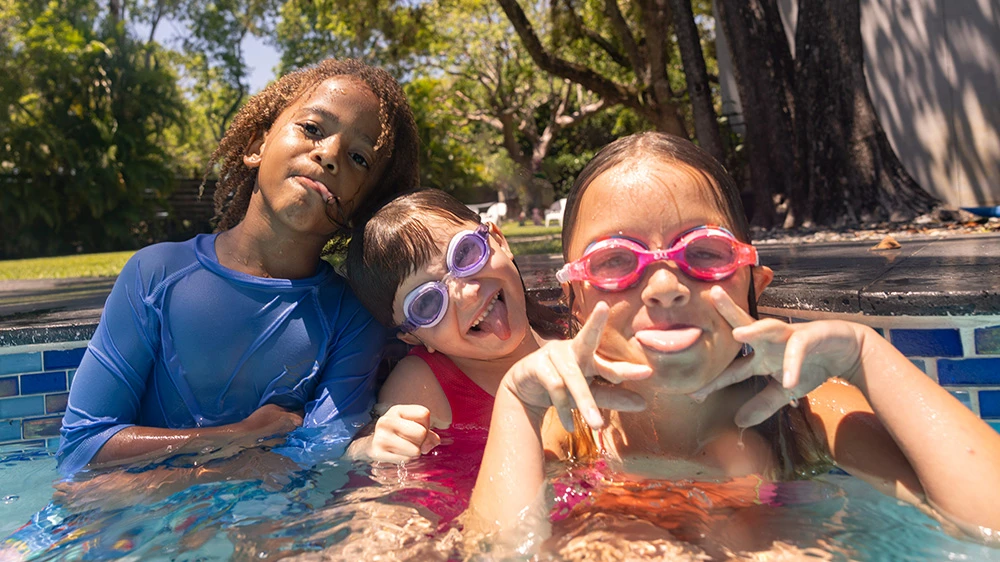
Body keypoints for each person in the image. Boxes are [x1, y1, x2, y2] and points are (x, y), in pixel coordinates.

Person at [465, 132, 1000, 554]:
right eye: (614, 262)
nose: (666, 287)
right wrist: (516, 398)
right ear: (574, 303)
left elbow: (987, 526)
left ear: (752, 284)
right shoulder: (570, 427)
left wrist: (866, 354)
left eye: (704, 253)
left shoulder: (806, 416)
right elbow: (496, 551)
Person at [55, 58, 420, 477]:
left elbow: (324, 452)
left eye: (359, 157)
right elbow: (82, 451)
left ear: (365, 207)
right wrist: (239, 434)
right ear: (256, 147)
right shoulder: (155, 274)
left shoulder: (351, 317)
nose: (329, 154)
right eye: (313, 128)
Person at [341, 188, 564, 463]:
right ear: (412, 336)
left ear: (498, 239)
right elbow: (379, 460)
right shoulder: (424, 387)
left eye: (465, 253)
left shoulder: (576, 329)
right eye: (427, 303)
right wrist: (366, 448)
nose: (467, 294)